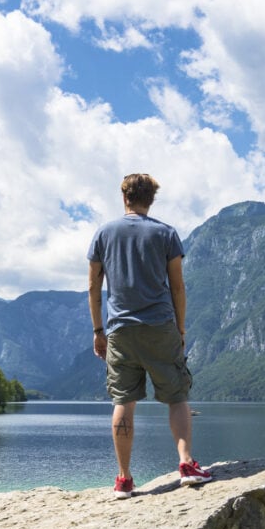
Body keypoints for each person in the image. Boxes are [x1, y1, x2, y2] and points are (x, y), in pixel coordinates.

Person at [87, 173, 213, 500]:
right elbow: (178, 287)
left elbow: (93, 287)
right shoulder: (165, 233)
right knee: (176, 396)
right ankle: (186, 465)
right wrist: (181, 329)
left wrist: (99, 330)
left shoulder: (103, 234)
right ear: (151, 199)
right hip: (160, 325)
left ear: (124, 197)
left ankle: (124, 480)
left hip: (119, 329)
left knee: (123, 402)